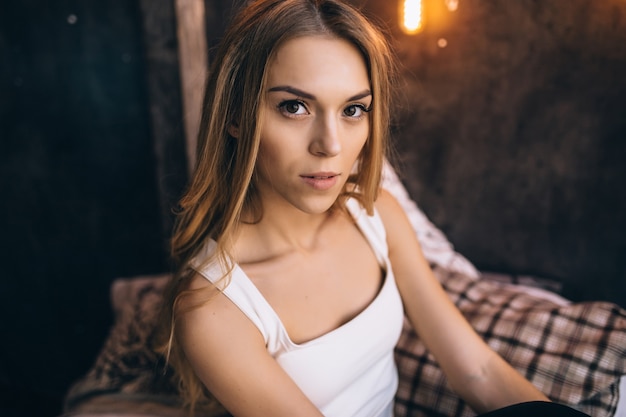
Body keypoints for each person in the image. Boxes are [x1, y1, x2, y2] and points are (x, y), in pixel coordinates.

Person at [157, 1, 590, 416]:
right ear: (235, 116)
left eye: (353, 109)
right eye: (294, 107)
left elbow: (477, 372)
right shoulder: (212, 307)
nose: (330, 145)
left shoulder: (376, 214)